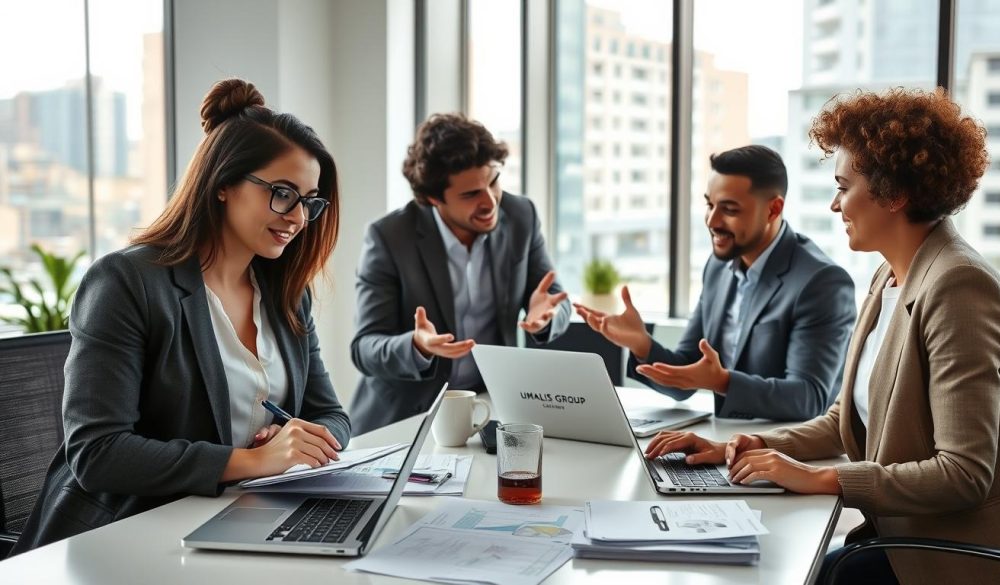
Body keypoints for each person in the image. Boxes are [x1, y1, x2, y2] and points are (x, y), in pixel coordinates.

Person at [644, 89, 1000, 585]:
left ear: (894, 195)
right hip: (895, 533)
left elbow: (963, 473)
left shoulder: (959, 287)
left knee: (789, 573)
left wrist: (822, 477)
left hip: (952, 554)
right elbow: (847, 421)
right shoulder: (889, 278)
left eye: (844, 186)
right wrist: (750, 445)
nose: (834, 203)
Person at [11, 79, 351, 554]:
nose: (296, 216)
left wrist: (295, 439)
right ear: (223, 185)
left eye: (310, 200)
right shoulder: (127, 282)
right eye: (281, 192)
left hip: (238, 519)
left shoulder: (287, 296)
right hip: (130, 535)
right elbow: (98, 453)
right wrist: (251, 461)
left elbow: (331, 415)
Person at [576, 145, 856, 421]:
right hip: (725, 440)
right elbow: (688, 369)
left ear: (773, 209)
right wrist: (642, 344)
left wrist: (722, 382)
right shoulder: (718, 267)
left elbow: (809, 398)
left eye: (729, 210)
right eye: (710, 205)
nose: (712, 220)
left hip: (786, 454)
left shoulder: (821, 282)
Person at [349, 113, 571, 434]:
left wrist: (547, 316)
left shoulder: (522, 215)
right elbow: (365, 348)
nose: (490, 202)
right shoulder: (389, 237)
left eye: (493, 182)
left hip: (489, 409)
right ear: (433, 199)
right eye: (470, 195)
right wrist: (417, 346)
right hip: (407, 419)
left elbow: (555, 299)